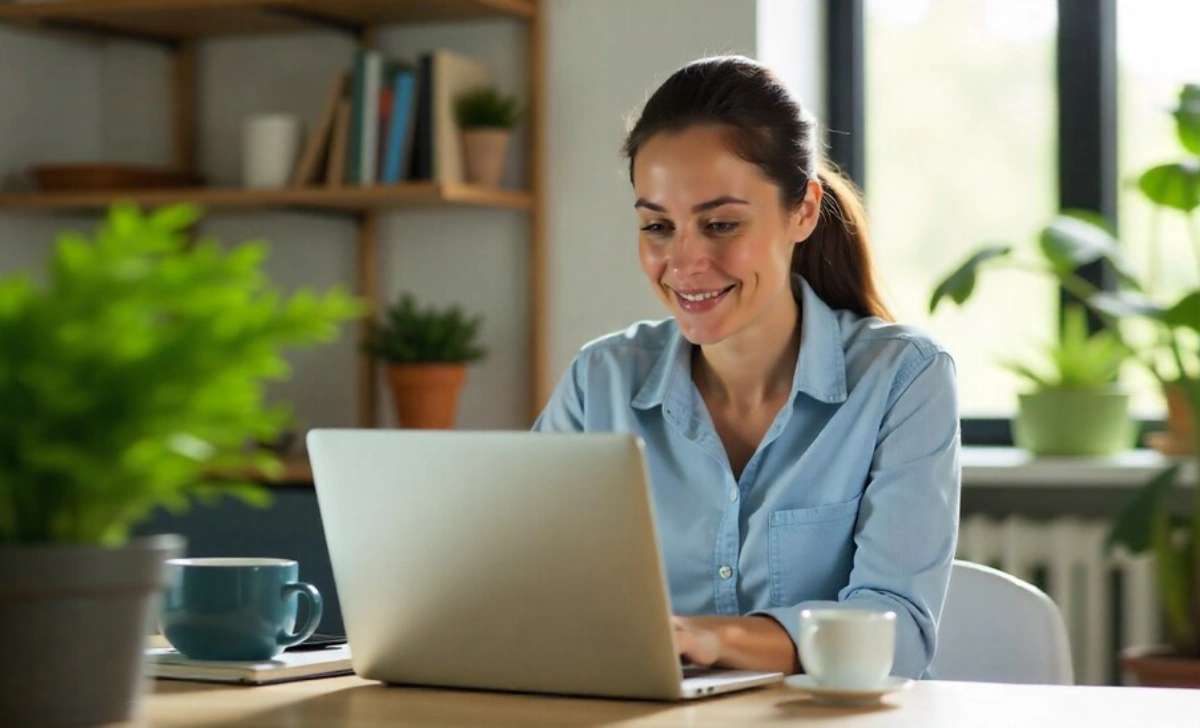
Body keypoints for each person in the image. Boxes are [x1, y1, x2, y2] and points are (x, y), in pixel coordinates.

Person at [534, 55, 960, 679]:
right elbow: (527, 586)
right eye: (658, 226)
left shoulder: (903, 378)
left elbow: (897, 638)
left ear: (804, 212)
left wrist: (714, 639)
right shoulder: (600, 383)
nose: (684, 263)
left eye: (721, 224)